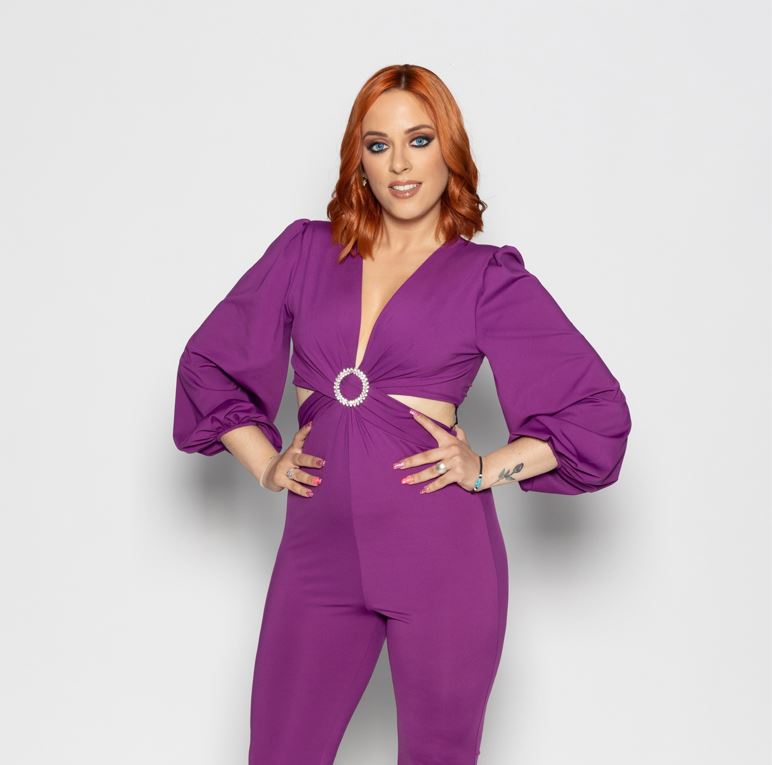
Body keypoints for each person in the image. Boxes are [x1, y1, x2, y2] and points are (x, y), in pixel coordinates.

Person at [172, 63, 632, 764]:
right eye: (378, 144)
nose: (399, 164)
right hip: (317, 559)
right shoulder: (305, 251)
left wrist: (486, 468)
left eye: (419, 140)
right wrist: (264, 464)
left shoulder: (486, 276)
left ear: (450, 149)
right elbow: (209, 362)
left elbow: (596, 410)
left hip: (442, 560)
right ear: (358, 159)